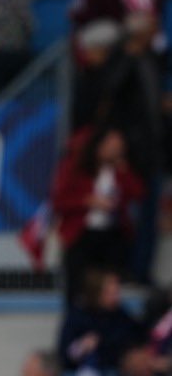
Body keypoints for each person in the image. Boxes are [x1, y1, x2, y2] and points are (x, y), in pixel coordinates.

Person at [51, 125, 145, 298]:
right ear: (99, 145)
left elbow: (138, 193)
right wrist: (88, 201)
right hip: (81, 236)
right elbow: (58, 200)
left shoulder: (119, 171)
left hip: (111, 235)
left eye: (119, 148)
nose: (115, 151)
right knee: (77, 288)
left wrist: (123, 171)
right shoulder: (76, 168)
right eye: (111, 147)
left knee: (108, 287)